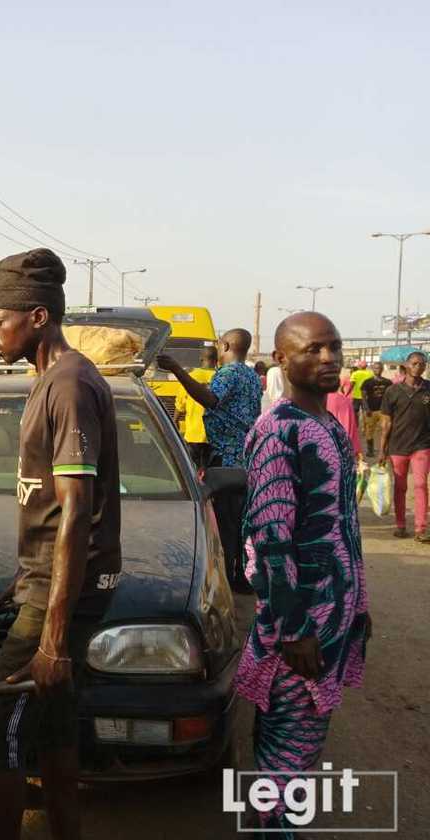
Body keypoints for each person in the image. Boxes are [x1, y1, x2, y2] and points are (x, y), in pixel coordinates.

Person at [0, 249, 120, 840]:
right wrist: (27, 571)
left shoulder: (70, 384)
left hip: (69, 590)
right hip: (46, 579)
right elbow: (47, 502)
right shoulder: (49, 380)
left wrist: (55, 634)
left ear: (36, 317)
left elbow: (78, 511)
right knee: (56, 724)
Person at [234, 312, 369, 837]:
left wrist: (358, 605)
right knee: (290, 747)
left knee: (297, 744)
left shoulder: (329, 425)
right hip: (299, 627)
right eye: (313, 349)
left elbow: (342, 525)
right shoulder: (278, 432)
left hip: (331, 617)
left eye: (333, 346)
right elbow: (271, 539)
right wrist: (293, 628)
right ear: (282, 361)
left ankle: (269, 821)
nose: (329, 357)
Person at [158, 329, 262, 468]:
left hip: (227, 457)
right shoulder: (252, 375)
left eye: (218, 345)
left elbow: (211, 399)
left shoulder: (229, 373)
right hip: (245, 453)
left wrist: (177, 369)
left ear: (225, 346)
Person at [378, 351, 430, 541]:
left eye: (422, 364)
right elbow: (386, 423)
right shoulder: (393, 391)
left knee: (421, 485)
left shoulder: (428, 389)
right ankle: (401, 525)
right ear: (406, 366)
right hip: (398, 446)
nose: (419, 367)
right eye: (415, 363)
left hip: (422, 446)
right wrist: (382, 450)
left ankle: (420, 529)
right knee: (400, 487)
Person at [174, 346, 217, 470]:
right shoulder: (220, 378)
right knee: (212, 473)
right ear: (216, 360)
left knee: (192, 472)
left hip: (193, 435)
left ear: (201, 359)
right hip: (214, 438)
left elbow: (180, 404)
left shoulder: (190, 376)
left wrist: (175, 419)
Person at [360, 362, 390, 458]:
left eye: (379, 368)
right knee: (370, 431)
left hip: (384, 411)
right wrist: (366, 408)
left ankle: (384, 450)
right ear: (372, 369)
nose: (378, 370)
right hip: (371, 410)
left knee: (385, 430)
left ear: (382, 369)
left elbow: (391, 396)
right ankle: (370, 450)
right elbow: (363, 396)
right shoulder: (367, 382)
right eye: (376, 368)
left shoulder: (388, 382)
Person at [325, 388, 362, 459]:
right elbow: (350, 427)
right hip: (343, 449)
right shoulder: (345, 401)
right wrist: (356, 450)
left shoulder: (314, 402)